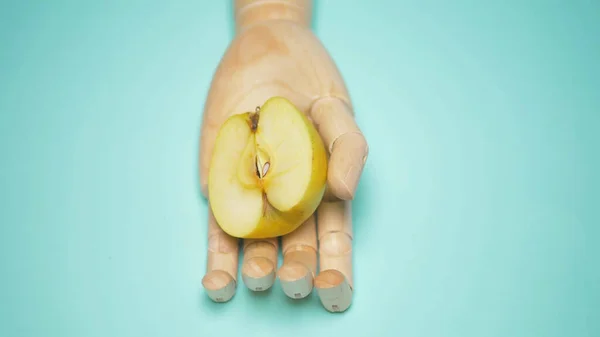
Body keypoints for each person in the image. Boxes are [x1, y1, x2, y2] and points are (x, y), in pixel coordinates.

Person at [199, 0, 369, 313]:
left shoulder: (285, 51)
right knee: (330, 220)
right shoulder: (305, 50)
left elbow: (209, 173)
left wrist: (212, 170)